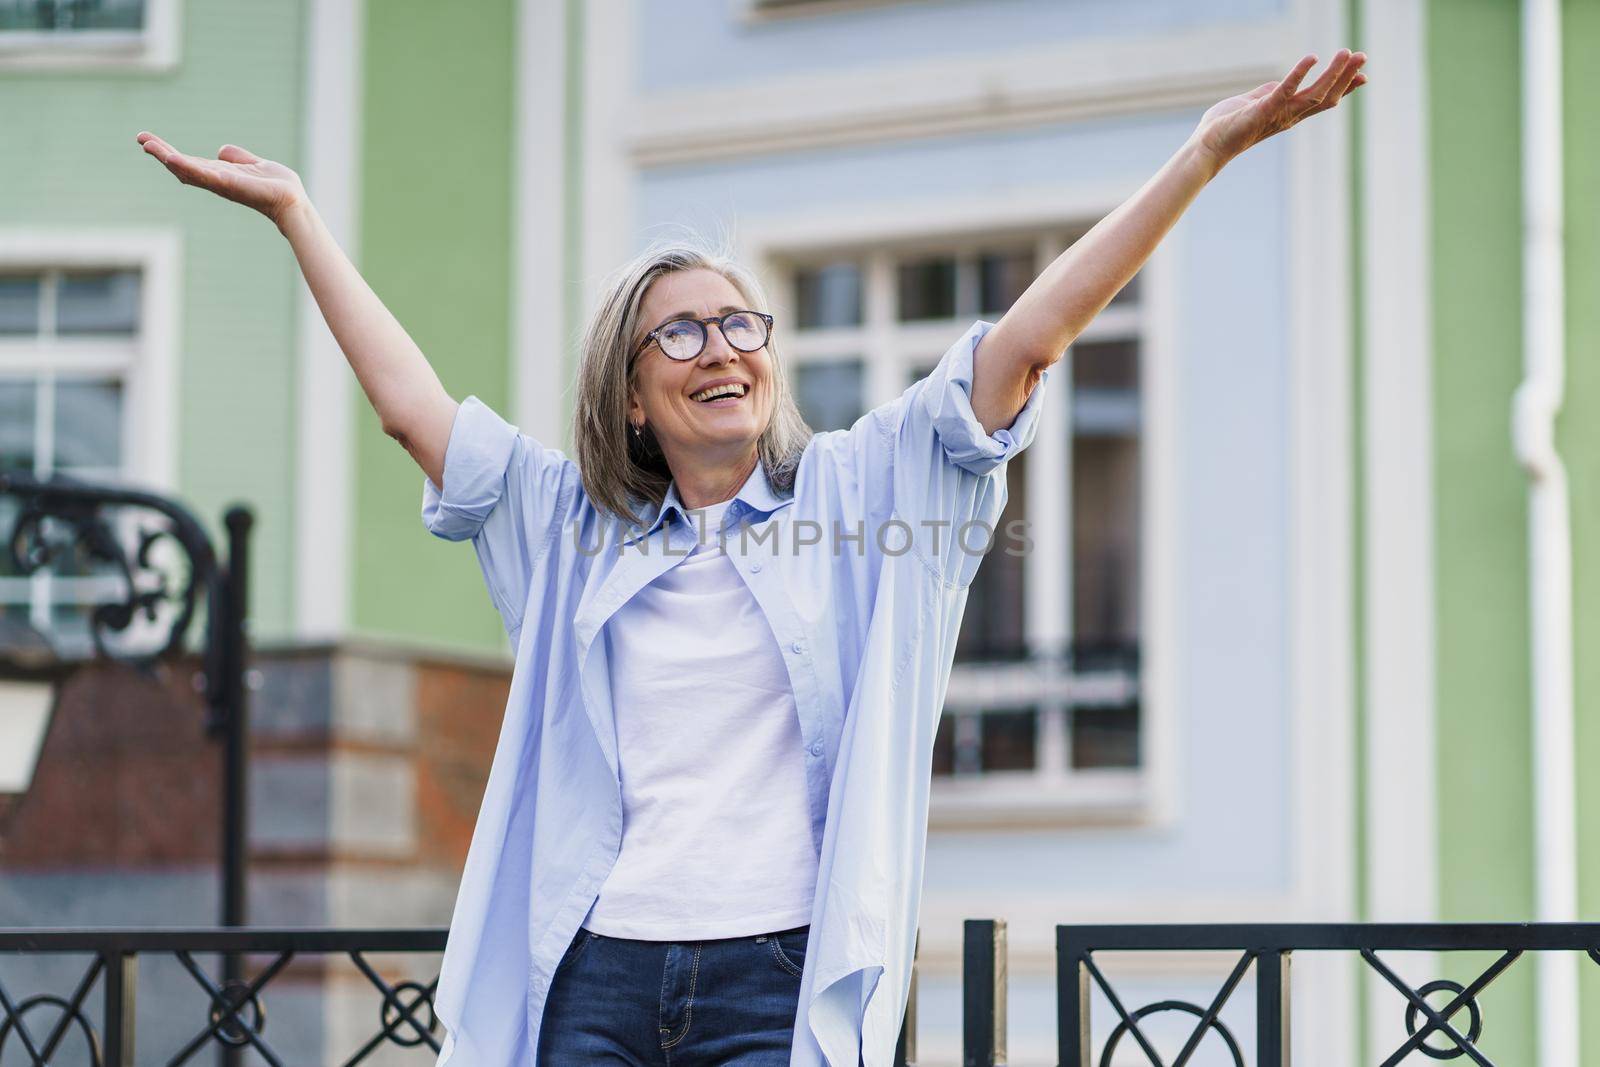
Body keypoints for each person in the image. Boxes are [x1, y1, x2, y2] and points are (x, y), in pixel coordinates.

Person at [136, 47, 1365, 1066]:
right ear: (629, 393)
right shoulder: (569, 526)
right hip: (593, 977)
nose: (720, 343)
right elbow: (416, 413)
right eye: (680, 329)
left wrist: (1200, 154)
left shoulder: (862, 486)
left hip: (774, 979)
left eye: (739, 320)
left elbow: (1026, 344)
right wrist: (299, 215)